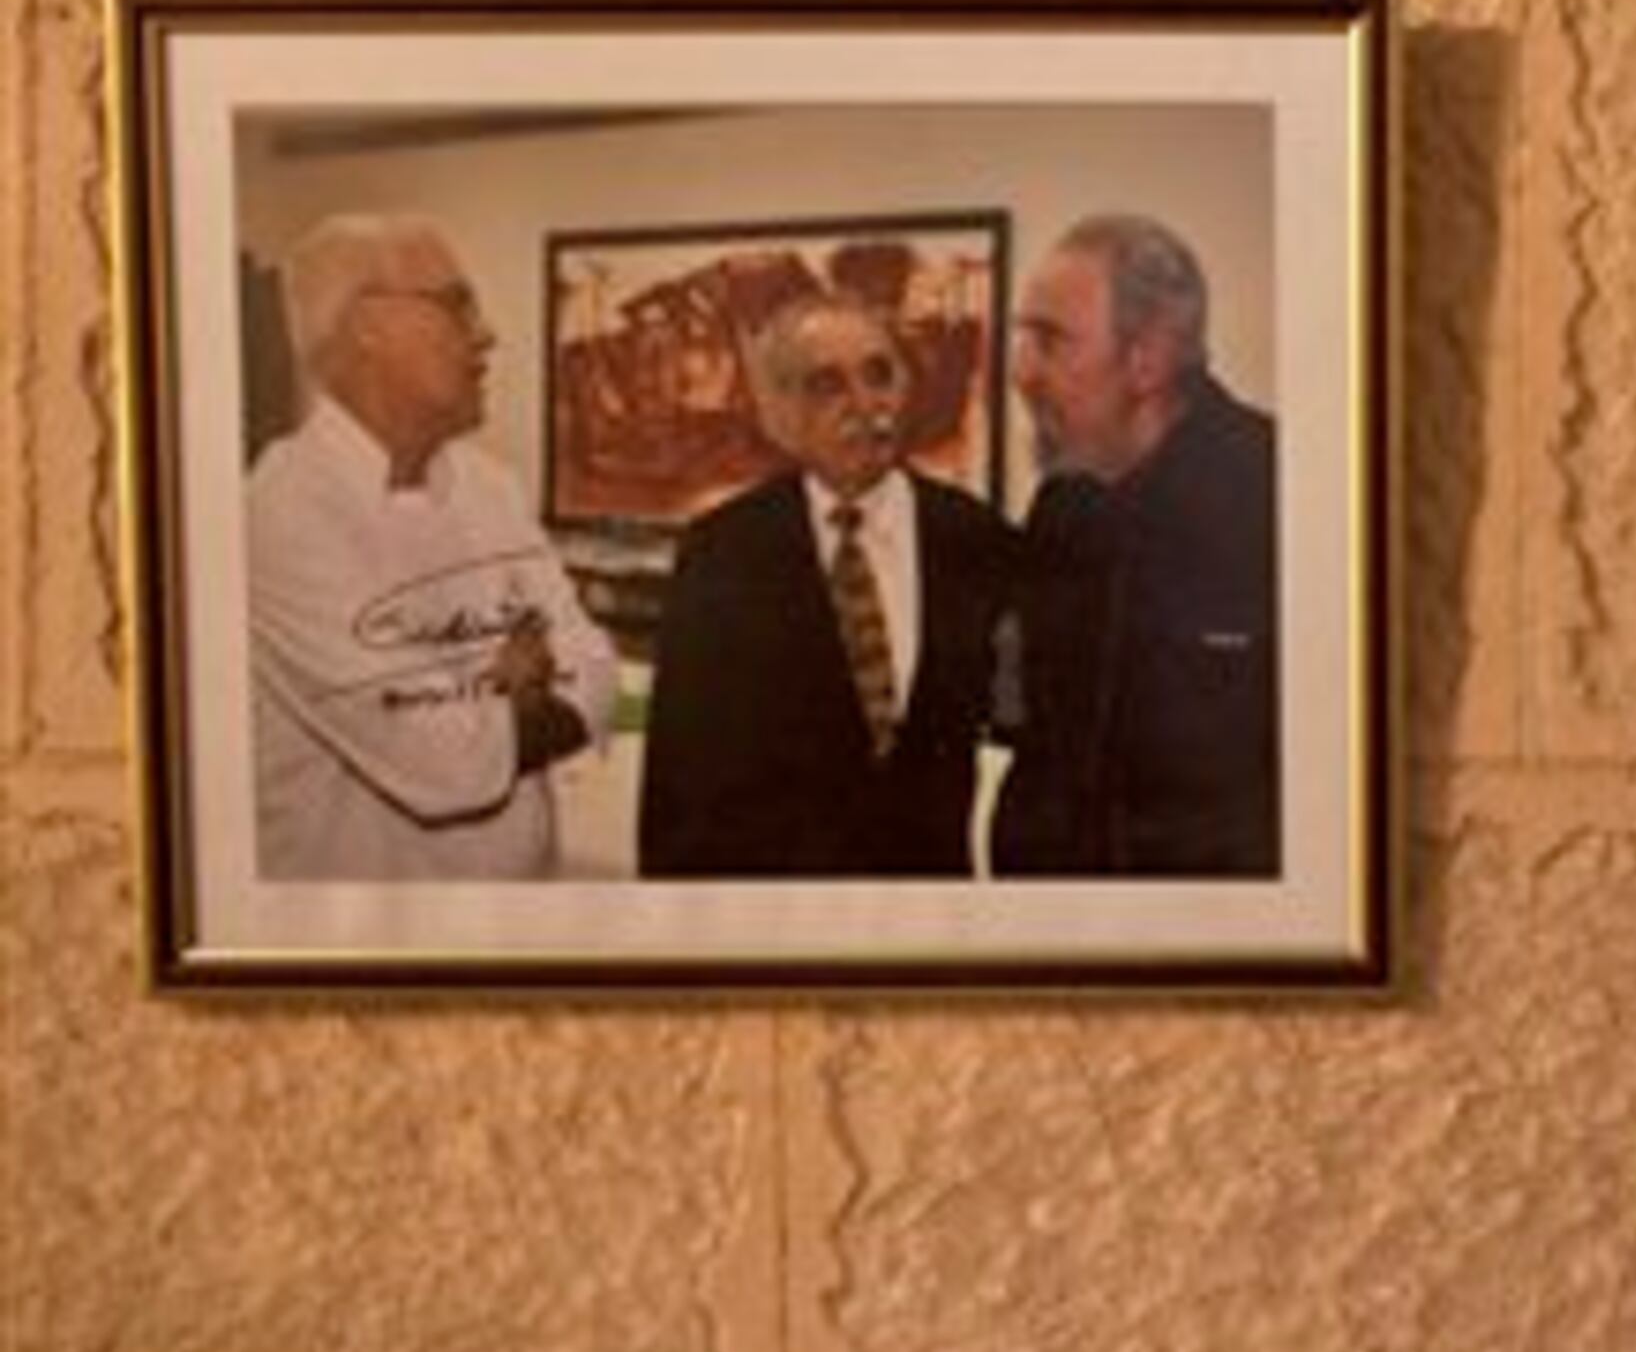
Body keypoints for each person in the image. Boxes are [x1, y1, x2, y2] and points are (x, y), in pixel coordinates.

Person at [245, 213, 617, 881]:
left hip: (520, 913)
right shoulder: (277, 516)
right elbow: (445, 766)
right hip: (366, 949)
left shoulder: (490, 486)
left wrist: (499, 707)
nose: (487, 333)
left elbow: (597, 669)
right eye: (456, 304)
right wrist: (518, 699)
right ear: (368, 328)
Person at [638, 294, 1020, 877]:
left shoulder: (973, 538)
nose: (866, 405)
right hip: (783, 924)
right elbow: (677, 784)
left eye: (878, 373)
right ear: (779, 415)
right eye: (827, 385)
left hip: (932, 916)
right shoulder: (722, 554)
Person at [992, 212, 1279, 876]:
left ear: (1146, 359)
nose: (1021, 372)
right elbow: (1037, 737)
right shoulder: (1062, 507)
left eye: (1050, 341)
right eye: (1022, 339)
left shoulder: (1278, 492)